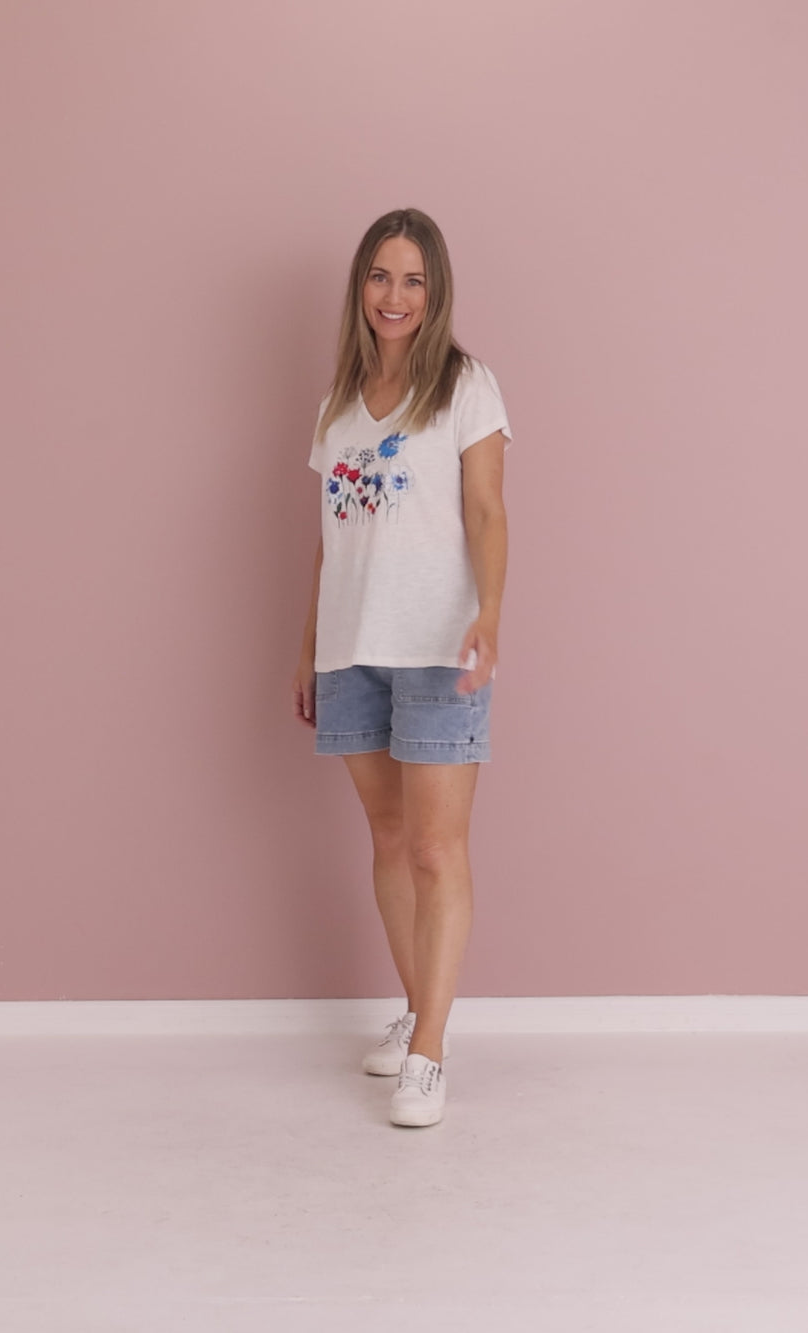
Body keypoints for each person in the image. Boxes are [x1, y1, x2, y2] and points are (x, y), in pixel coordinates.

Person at [292, 208, 511, 1127]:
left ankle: (430, 1053)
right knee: (386, 841)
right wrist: (311, 647)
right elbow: (330, 540)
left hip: (437, 647)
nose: (395, 295)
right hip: (352, 649)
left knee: (435, 848)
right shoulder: (337, 404)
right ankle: (421, 1015)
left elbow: (487, 510)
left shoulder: (466, 386)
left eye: (413, 280)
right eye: (381, 277)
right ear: (361, 288)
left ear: (436, 291)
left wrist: (489, 614)